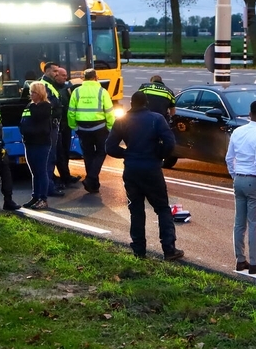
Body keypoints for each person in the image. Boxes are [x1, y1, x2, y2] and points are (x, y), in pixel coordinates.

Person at [106, 91, 185, 262]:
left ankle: (139, 249)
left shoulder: (122, 121)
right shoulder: (156, 119)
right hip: (151, 169)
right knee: (162, 208)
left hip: (132, 169)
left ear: (131, 104)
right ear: (146, 103)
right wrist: (159, 154)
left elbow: (110, 146)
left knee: (136, 210)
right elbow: (170, 143)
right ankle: (169, 249)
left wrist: (126, 154)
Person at [226, 99, 256, 275]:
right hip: (254, 180)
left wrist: (235, 174)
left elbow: (228, 158)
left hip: (238, 179)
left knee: (239, 223)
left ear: (249, 114)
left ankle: (240, 260)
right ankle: (255, 263)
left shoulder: (238, 132)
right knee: (254, 224)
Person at [67, 68, 115, 194]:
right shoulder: (102, 91)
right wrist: (111, 128)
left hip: (82, 128)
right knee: (101, 152)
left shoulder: (76, 91)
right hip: (100, 127)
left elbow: (71, 112)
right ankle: (91, 178)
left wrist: (75, 127)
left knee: (88, 155)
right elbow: (109, 112)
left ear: (84, 78)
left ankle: (93, 186)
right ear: (96, 77)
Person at [26, 62, 65, 198]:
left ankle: (45, 189)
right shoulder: (44, 86)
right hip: (49, 129)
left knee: (50, 159)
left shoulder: (53, 85)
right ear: (47, 71)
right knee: (48, 160)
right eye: (54, 71)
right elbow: (52, 105)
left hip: (53, 126)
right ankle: (47, 189)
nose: (57, 74)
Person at [20, 81, 53, 210]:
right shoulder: (29, 106)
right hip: (29, 142)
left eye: (33, 92)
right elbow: (23, 121)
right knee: (34, 171)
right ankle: (35, 196)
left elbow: (37, 118)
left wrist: (32, 107)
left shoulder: (45, 106)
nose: (31, 95)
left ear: (39, 93)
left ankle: (43, 198)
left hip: (41, 143)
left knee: (41, 170)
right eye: (30, 92)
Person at [53, 66, 80, 188]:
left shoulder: (67, 88)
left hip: (66, 124)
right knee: (58, 153)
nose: (65, 78)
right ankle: (62, 177)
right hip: (57, 125)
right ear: (56, 75)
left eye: (66, 75)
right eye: (63, 75)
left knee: (65, 151)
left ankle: (66, 176)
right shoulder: (51, 88)